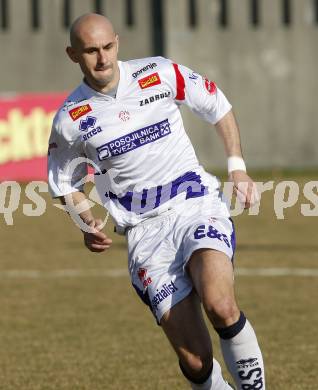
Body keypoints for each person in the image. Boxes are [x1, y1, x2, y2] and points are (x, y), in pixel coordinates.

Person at [48, 13, 265, 390]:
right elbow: (62, 180)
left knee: (220, 304)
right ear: (73, 55)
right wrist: (84, 221)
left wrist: (237, 168)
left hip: (194, 204)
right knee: (196, 361)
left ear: (118, 42)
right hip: (144, 233)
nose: (103, 59)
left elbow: (217, 105)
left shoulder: (160, 73)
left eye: (108, 47)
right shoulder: (71, 118)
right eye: (91, 51)